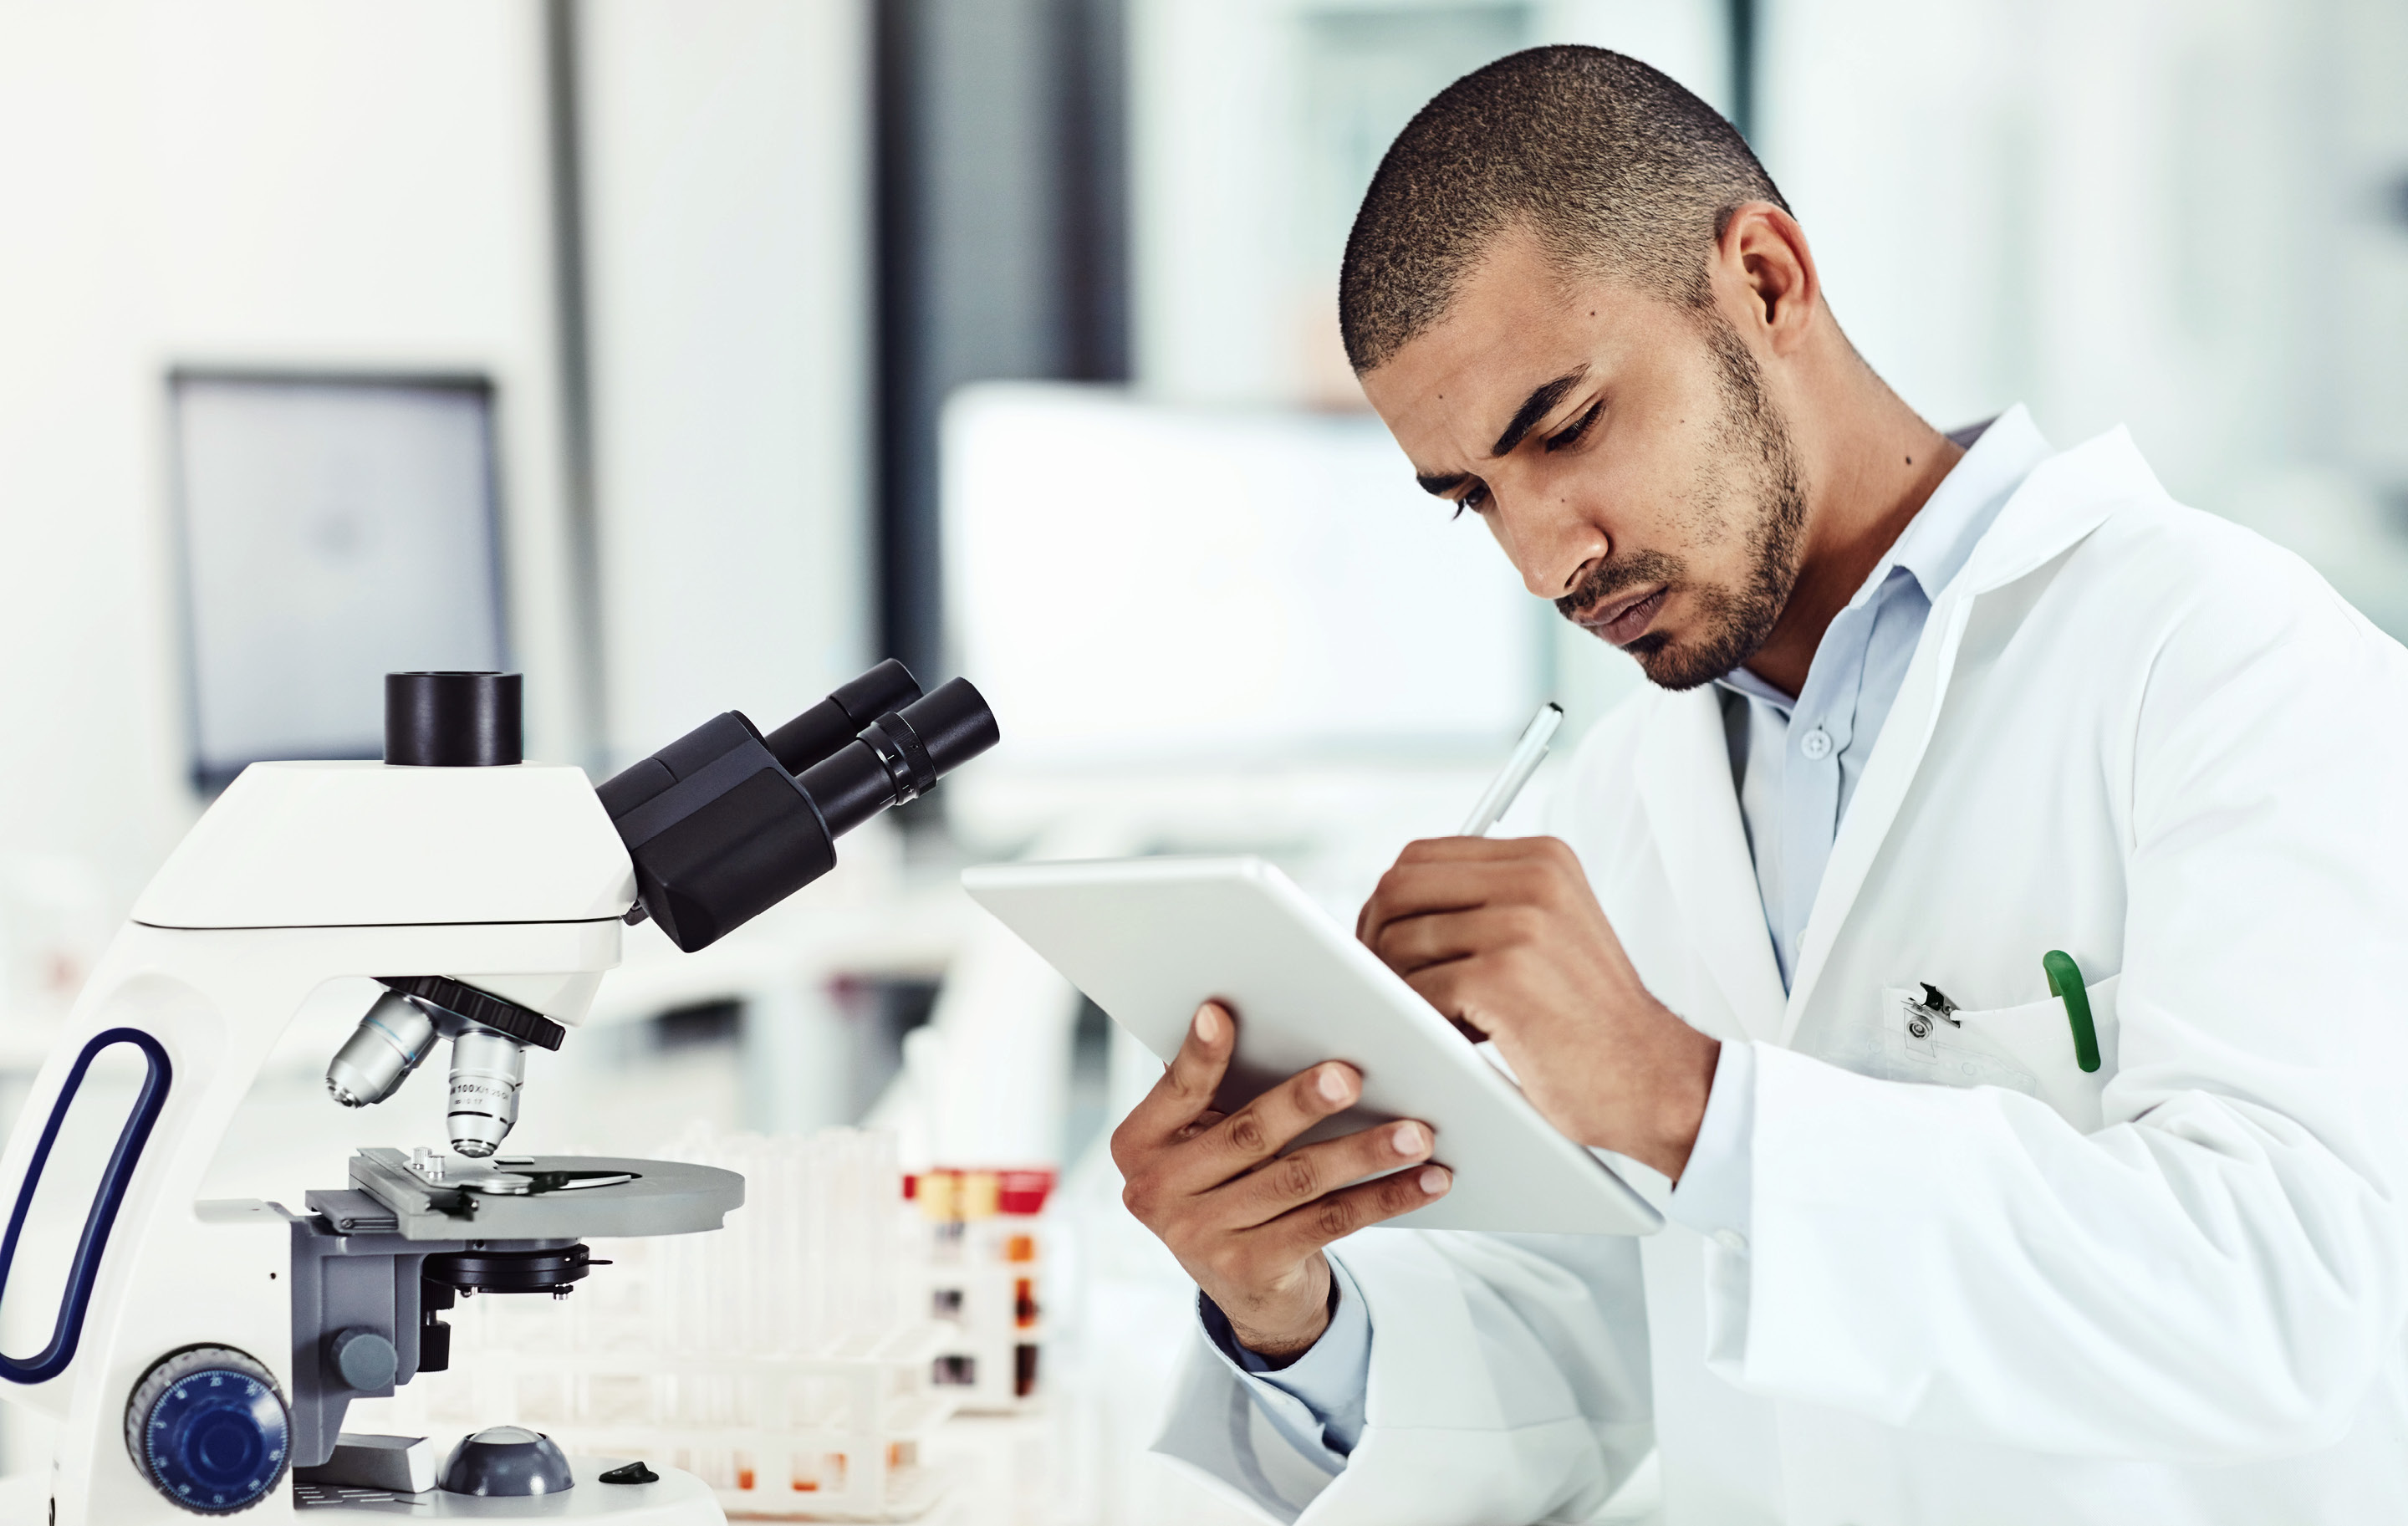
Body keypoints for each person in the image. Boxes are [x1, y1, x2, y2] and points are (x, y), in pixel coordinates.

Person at [1110, 43, 2408, 1526]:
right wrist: (1285, 1304)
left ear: (1768, 280)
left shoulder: (2229, 661)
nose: (1545, 559)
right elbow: (1587, 1363)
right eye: (1474, 496)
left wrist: (1693, 1099)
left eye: (1567, 427)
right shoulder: (1623, 797)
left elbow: (2295, 1293)